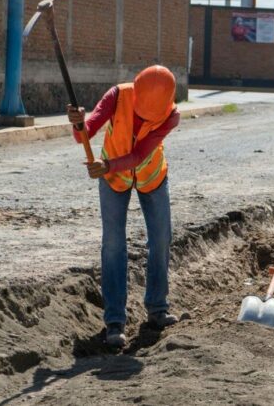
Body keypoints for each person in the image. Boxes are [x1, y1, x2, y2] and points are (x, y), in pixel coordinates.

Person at [67, 65, 181, 349]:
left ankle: (157, 309)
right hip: (112, 179)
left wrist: (107, 165)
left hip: (151, 176)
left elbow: (141, 153)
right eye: (142, 112)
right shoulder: (117, 96)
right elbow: (86, 132)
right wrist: (79, 123)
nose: (144, 118)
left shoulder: (171, 115)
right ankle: (115, 321)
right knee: (114, 244)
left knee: (161, 238)